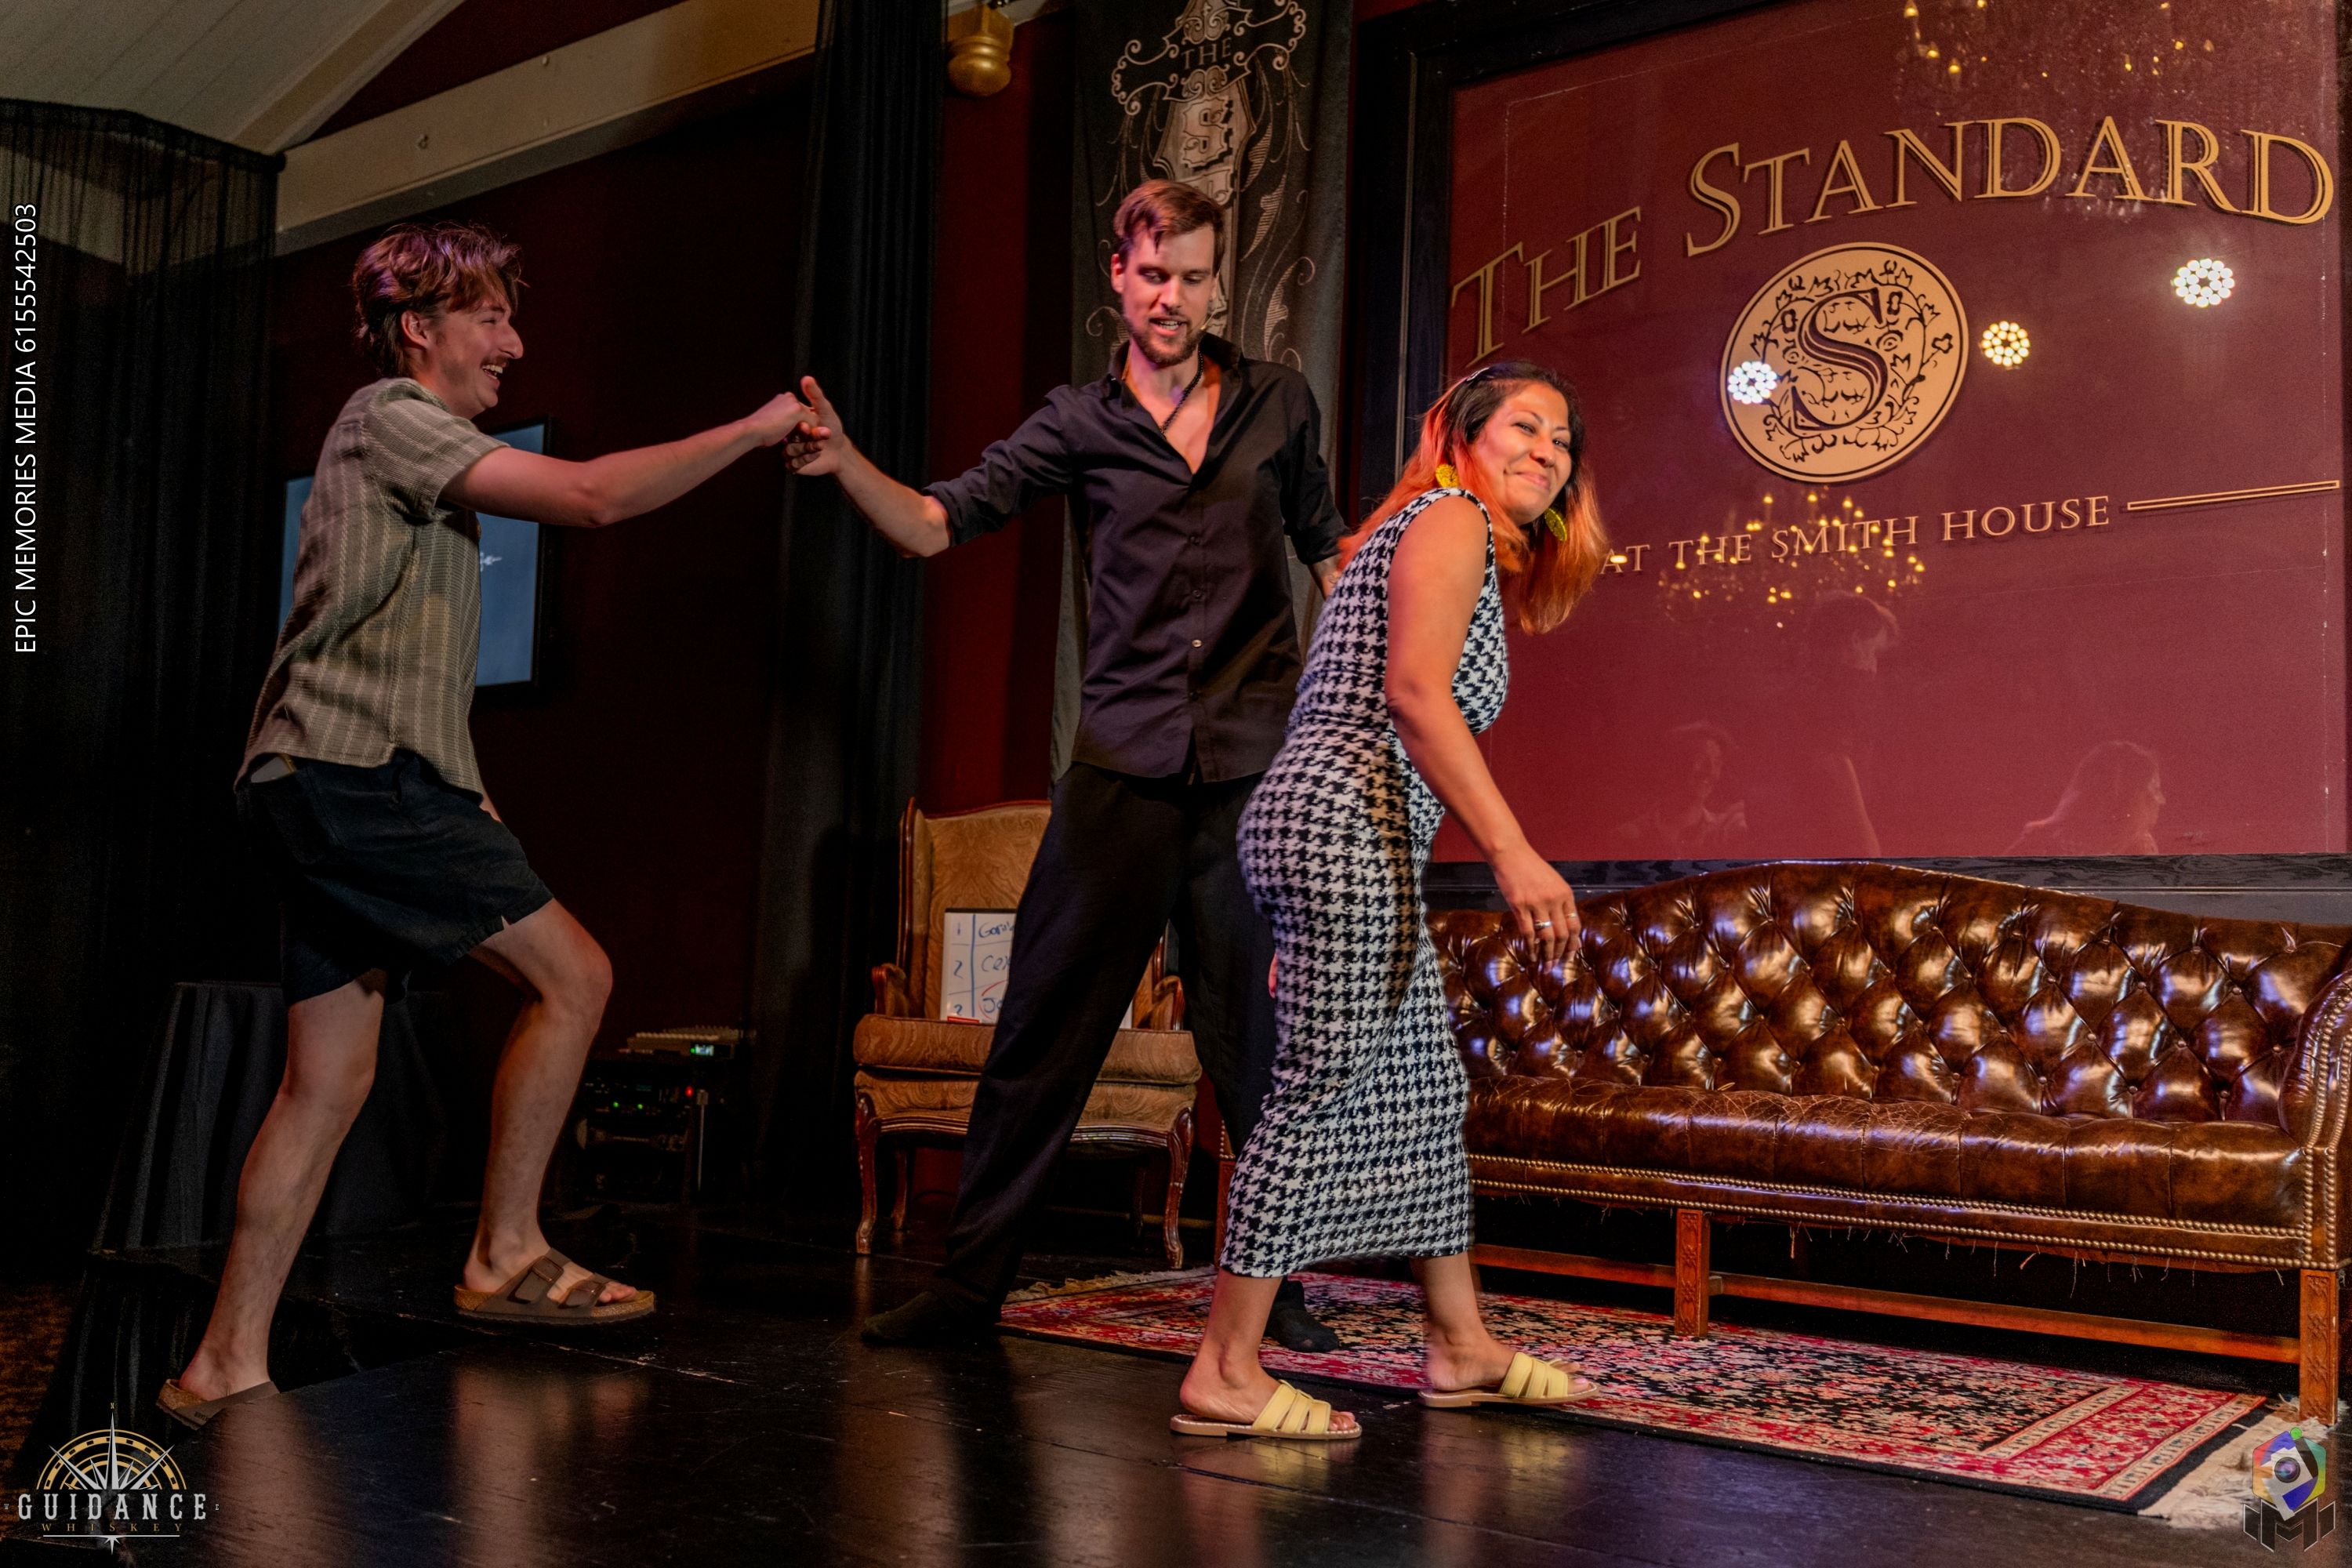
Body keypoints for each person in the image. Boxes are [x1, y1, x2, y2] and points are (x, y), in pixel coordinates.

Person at [158, 221, 809, 1429]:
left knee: (328, 1080)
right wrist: (755, 428)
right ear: (421, 329)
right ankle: (505, 1250)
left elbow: (414, 668)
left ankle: (221, 1364)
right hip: (353, 776)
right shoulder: (391, 416)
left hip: (317, 778)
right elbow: (594, 499)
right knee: (576, 978)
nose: (515, 342)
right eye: (491, 318)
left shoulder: (412, 451)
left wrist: (472, 800)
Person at [785, 180, 1345, 1351]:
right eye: (1156, 275)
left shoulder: (1278, 404)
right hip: (1123, 768)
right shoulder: (1078, 423)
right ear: (1118, 272)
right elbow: (940, 522)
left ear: (1218, 279)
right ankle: (968, 1285)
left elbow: (1328, 552)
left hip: (1249, 772)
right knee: (1041, 1029)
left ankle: (1277, 1291)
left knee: (1256, 1047)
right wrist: (843, 464)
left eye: (1195, 277)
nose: (1175, 299)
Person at [1171, 360, 1607, 1441]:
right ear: (1460, 434)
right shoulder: (1450, 517)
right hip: (1341, 831)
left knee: (1422, 1088)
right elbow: (1412, 698)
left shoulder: (1427, 531)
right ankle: (1225, 1367)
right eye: (1526, 426)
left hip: (1348, 839)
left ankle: (1459, 1345)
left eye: (1564, 441)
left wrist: (1303, 892)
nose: (1549, 452)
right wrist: (1512, 852)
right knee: (1320, 1088)